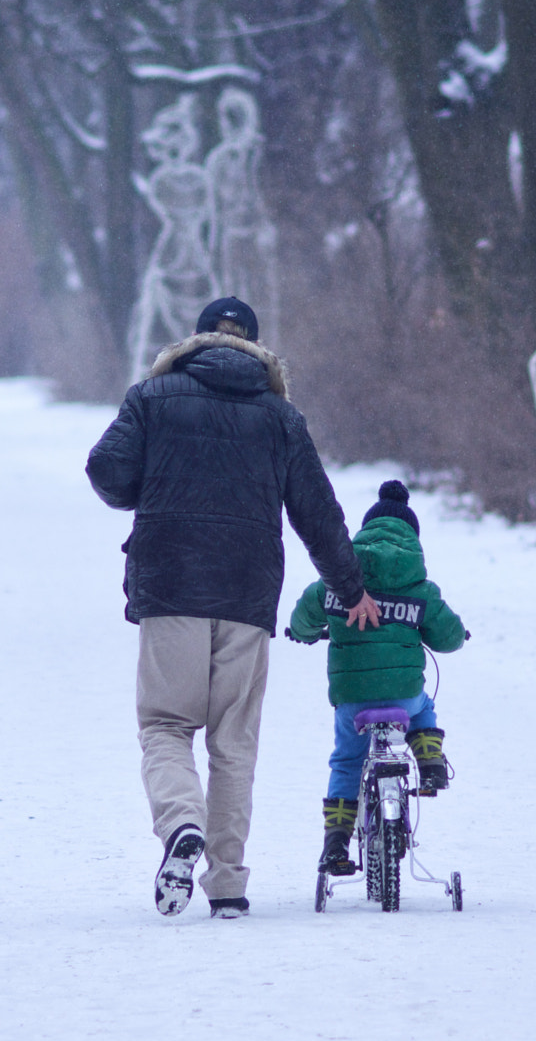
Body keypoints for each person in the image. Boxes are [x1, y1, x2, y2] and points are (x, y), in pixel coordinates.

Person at [86, 296, 378, 920]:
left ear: (194, 343)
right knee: (233, 743)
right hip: (247, 594)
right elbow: (318, 516)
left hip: (170, 585)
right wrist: (350, 591)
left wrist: (152, 490)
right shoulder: (280, 417)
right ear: (256, 346)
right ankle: (227, 885)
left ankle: (181, 826)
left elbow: (106, 469)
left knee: (166, 726)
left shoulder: (151, 397)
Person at [285, 480, 466, 876]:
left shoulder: (337, 581)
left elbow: (305, 613)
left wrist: (301, 632)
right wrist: (453, 634)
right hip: (404, 696)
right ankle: (430, 761)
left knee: (348, 762)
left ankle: (335, 844)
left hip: (352, 699)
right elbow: (449, 637)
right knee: (424, 705)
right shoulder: (420, 588)